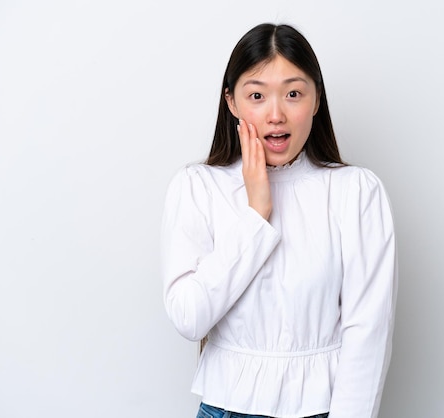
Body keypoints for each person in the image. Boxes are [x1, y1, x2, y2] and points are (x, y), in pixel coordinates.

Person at [161, 23, 397, 418]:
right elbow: (189, 317)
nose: (275, 115)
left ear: (316, 99)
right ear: (231, 102)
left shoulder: (356, 192)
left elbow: (368, 335)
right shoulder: (198, 187)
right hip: (224, 409)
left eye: (293, 94)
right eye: (256, 95)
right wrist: (256, 214)